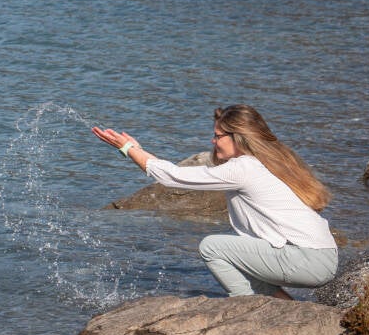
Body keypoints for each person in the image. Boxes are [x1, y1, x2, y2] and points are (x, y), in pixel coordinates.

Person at [92, 104, 338, 299]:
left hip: (308, 260)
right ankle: (284, 309)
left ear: (238, 138)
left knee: (212, 247)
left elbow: (172, 177)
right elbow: (178, 174)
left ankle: (247, 306)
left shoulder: (243, 168)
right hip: (321, 257)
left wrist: (128, 149)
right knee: (240, 255)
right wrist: (138, 149)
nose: (213, 141)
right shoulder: (268, 161)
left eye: (218, 136)